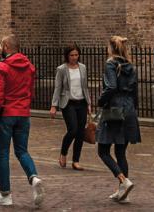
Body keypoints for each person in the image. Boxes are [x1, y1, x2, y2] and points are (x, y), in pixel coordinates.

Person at [0, 34, 43, 207]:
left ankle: (5, 194)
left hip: (6, 115)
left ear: (5, 47)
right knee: (22, 151)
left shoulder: (1, 67)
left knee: (3, 153)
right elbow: (31, 91)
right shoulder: (29, 67)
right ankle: (33, 177)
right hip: (23, 114)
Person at [97, 36, 140, 203]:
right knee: (121, 151)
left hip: (115, 108)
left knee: (103, 150)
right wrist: (133, 111)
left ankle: (123, 180)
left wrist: (101, 102)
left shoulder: (110, 64)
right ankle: (122, 192)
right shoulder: (130, 66)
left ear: (111, 48)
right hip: (129, 109)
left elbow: (111, 87)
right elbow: (135, 92)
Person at [50, 43, 92, 170]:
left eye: (76, 55)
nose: (74, 57)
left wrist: (89, 103)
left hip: (82, 102)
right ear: (67, 56)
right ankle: (63, 153)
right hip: (68, 103)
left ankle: (76, 160)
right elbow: (58, 88)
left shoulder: (83, 67)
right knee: (72, 130)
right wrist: (54, 105)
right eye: (72, 55)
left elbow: (85, 87)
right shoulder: (62, 69)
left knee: (80, 132)